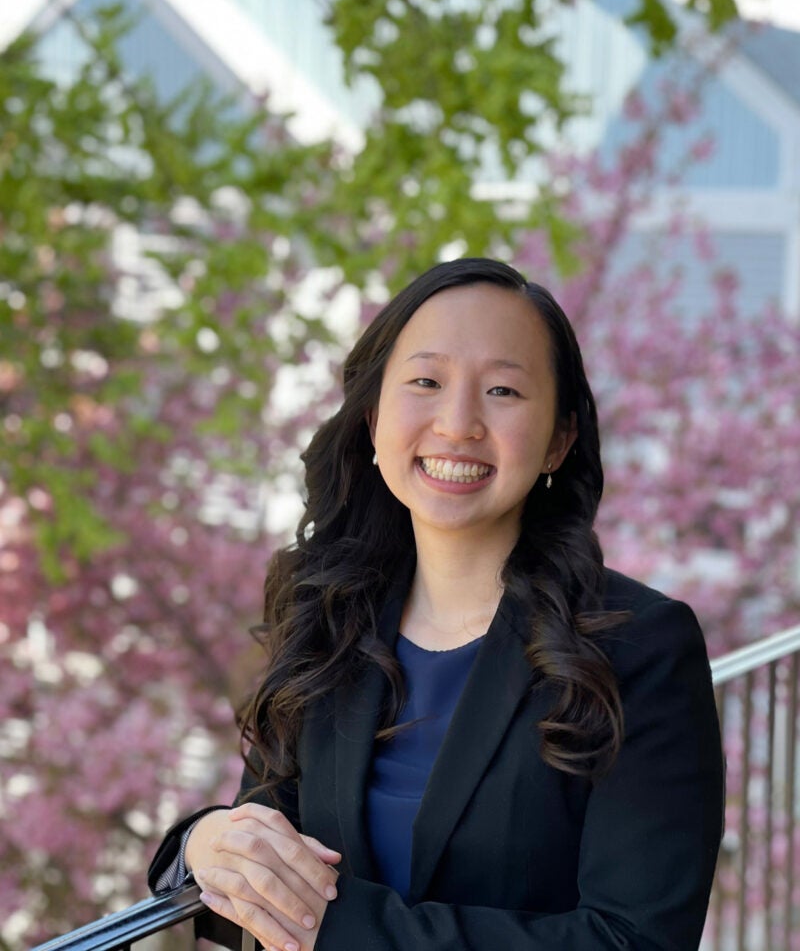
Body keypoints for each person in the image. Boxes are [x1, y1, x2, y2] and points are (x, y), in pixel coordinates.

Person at [148, 257, 725, 951]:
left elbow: (636, 940)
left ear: (560, 439)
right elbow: (265, 852)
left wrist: (339, 932)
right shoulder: (329, 613)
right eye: (425, 381)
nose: (458, 424)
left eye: (504, 390)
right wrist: (204, 842)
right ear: (372, 414)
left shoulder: (640, 648)